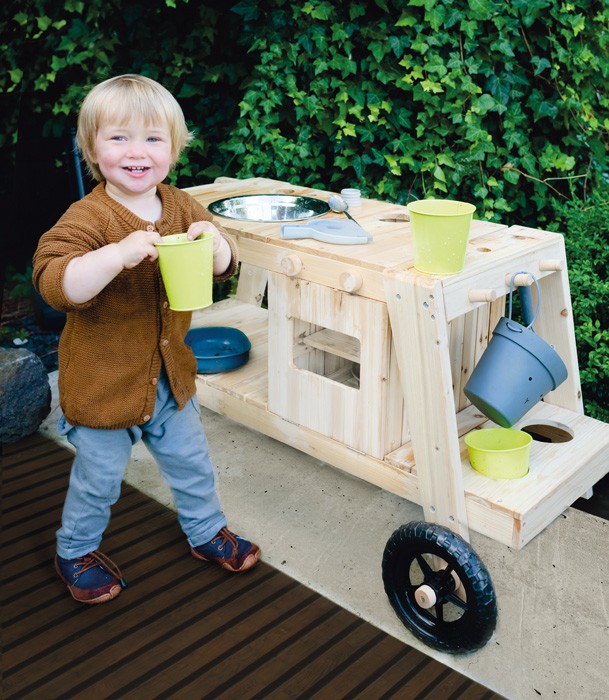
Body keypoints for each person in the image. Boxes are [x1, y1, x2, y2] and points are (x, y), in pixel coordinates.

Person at [32, 74, 260, 605]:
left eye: (153, 139)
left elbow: (225, 265)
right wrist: (114, 255)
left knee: (192, 464)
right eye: (119, 138)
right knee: (99, 481)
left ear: (174, 149)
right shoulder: (88, 217)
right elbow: (54, 282)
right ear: (93, 149)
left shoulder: (181, 205)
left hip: (170, 380)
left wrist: (216, 244)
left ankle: (206, 531)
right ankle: (75, 549)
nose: (137, 152)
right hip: (103, 387)